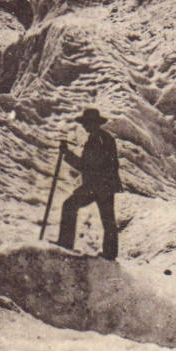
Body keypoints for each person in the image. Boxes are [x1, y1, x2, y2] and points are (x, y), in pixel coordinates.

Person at [56, 108, 121, 260]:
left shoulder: (97, 139)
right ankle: (110, 254)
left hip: (96, 185)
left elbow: (86, 165)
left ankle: (66, 244)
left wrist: (67, 154)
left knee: (69, 206)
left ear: (95, 123)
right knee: (108, 219)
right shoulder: (103, 137)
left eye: (87, 123)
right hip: (105, 185)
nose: (85, 126)